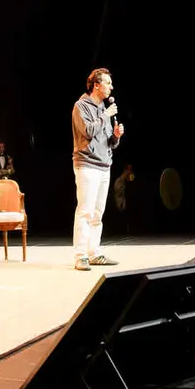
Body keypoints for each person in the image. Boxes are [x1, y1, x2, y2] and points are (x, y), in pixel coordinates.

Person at [71, 68, 125, 271]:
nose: (111, 87)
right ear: (96, 85)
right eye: (108, 83)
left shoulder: (104, 108)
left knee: (97, 212)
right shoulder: (81, 106)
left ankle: (94, 252)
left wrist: (116, 136)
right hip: (87, 164)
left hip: (104, 164)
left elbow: (109, 142)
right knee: (85, 211)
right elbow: (88, 131)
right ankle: (80, 255)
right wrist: (105, 115)